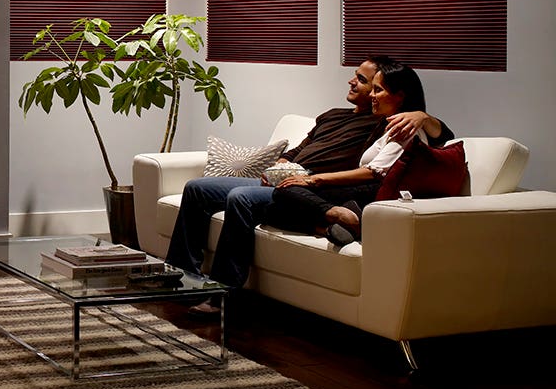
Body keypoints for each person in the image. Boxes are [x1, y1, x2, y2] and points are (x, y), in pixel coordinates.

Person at [164, 56, 452, 315]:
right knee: (197, 188)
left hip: (313, 188)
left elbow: (437, 138)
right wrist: (280, 163)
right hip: (286, 178)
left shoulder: (380, 123)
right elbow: (299, 148)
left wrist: (423, 116)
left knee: (241, 197)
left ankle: (222, 297)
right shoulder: (332, 115)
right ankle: (180, 277)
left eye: (366, 82)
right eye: (360, 78)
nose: (353, 82)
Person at [265, 61, 429, 246]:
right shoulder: (384, 125)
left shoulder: (406, 128)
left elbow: (375, 172)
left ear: (399, 96)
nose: (372, 96)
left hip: (375, 192)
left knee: (285, 192)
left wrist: (315, 179)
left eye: (378, 90)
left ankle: (340, 214)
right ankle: (330, 228)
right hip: (362, 189)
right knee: (272, 210)